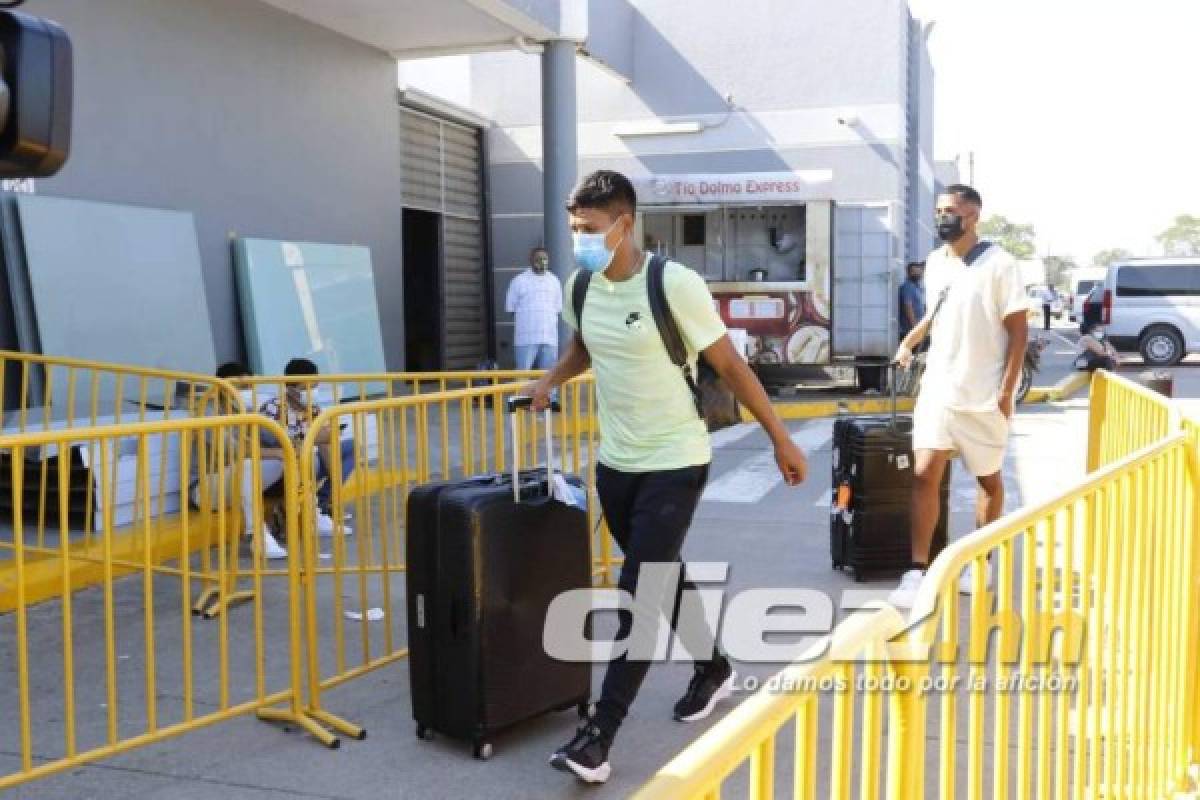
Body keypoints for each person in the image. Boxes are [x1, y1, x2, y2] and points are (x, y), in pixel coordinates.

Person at [529, 170, 809, 784]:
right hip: (616, 467)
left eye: (589, 229)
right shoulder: (581, 285)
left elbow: (731, 366)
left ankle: (599, 737)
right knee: (664, 575)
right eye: (575, 227)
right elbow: (586, 349)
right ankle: (714, 668)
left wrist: (781, 438)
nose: (578, 238)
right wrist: (551, 379)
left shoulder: (673, 284)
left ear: (624, 224)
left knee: (642, 591)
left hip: (676, 461)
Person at [889, 184, 1029, 610]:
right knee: (924, 472)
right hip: (938, 389)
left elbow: (1019, 332)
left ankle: (981, 562)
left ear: (974, 215)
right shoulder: (934, 263)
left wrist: (1006, 392)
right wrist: (910, 342)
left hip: (982, 393)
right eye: (938, 211)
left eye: (950, 211)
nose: (942, 218)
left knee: (987, 480)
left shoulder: (1001, 265)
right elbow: (936, 313)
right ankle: (917, 569)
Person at [257, 358, 356, 542]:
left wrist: (329, 449)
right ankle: (310, 511)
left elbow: (324, 441)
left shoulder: (314, 410)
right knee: (312, 457)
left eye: (315, 386)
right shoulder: (272, 409)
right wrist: (311, 441)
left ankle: (322, 502)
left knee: (349, 447)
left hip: (307, 466)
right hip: (281, 470)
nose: (312, 392)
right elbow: (278, 446)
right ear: (292, 388)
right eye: (306, 388)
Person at [506, 246, 563, 371]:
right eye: (538, 259)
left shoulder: (554, 281)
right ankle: (522, 392)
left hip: (549, 337)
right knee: (522, 374)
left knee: (549, 376)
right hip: (526, 339)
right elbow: (511, 309)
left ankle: (549, 392)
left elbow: (557, 309)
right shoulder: (518, 281)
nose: (542, 261)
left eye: (545, 258)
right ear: (531, 260)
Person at [898, 261, 926, 344]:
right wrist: (915, 327)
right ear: (908, 273)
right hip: (909, 329)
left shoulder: (917, 287)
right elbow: (908, 307)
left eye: (918, 272)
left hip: (918, 327)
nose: (917, 274)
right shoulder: (907, 287)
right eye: (914, 272)